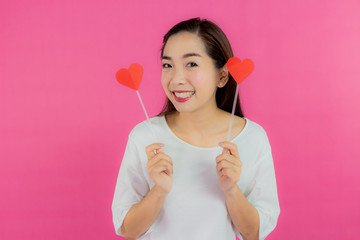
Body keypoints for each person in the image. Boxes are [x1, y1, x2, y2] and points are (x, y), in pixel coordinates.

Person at [112, 17, 280, 240]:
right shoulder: (144, 137)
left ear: (221, 76)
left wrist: (231, 189)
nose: (176, 79)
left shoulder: (253, 138)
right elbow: (127, 230)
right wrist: (158, 191)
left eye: (191, 64)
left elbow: (254, 233)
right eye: (167, 65)